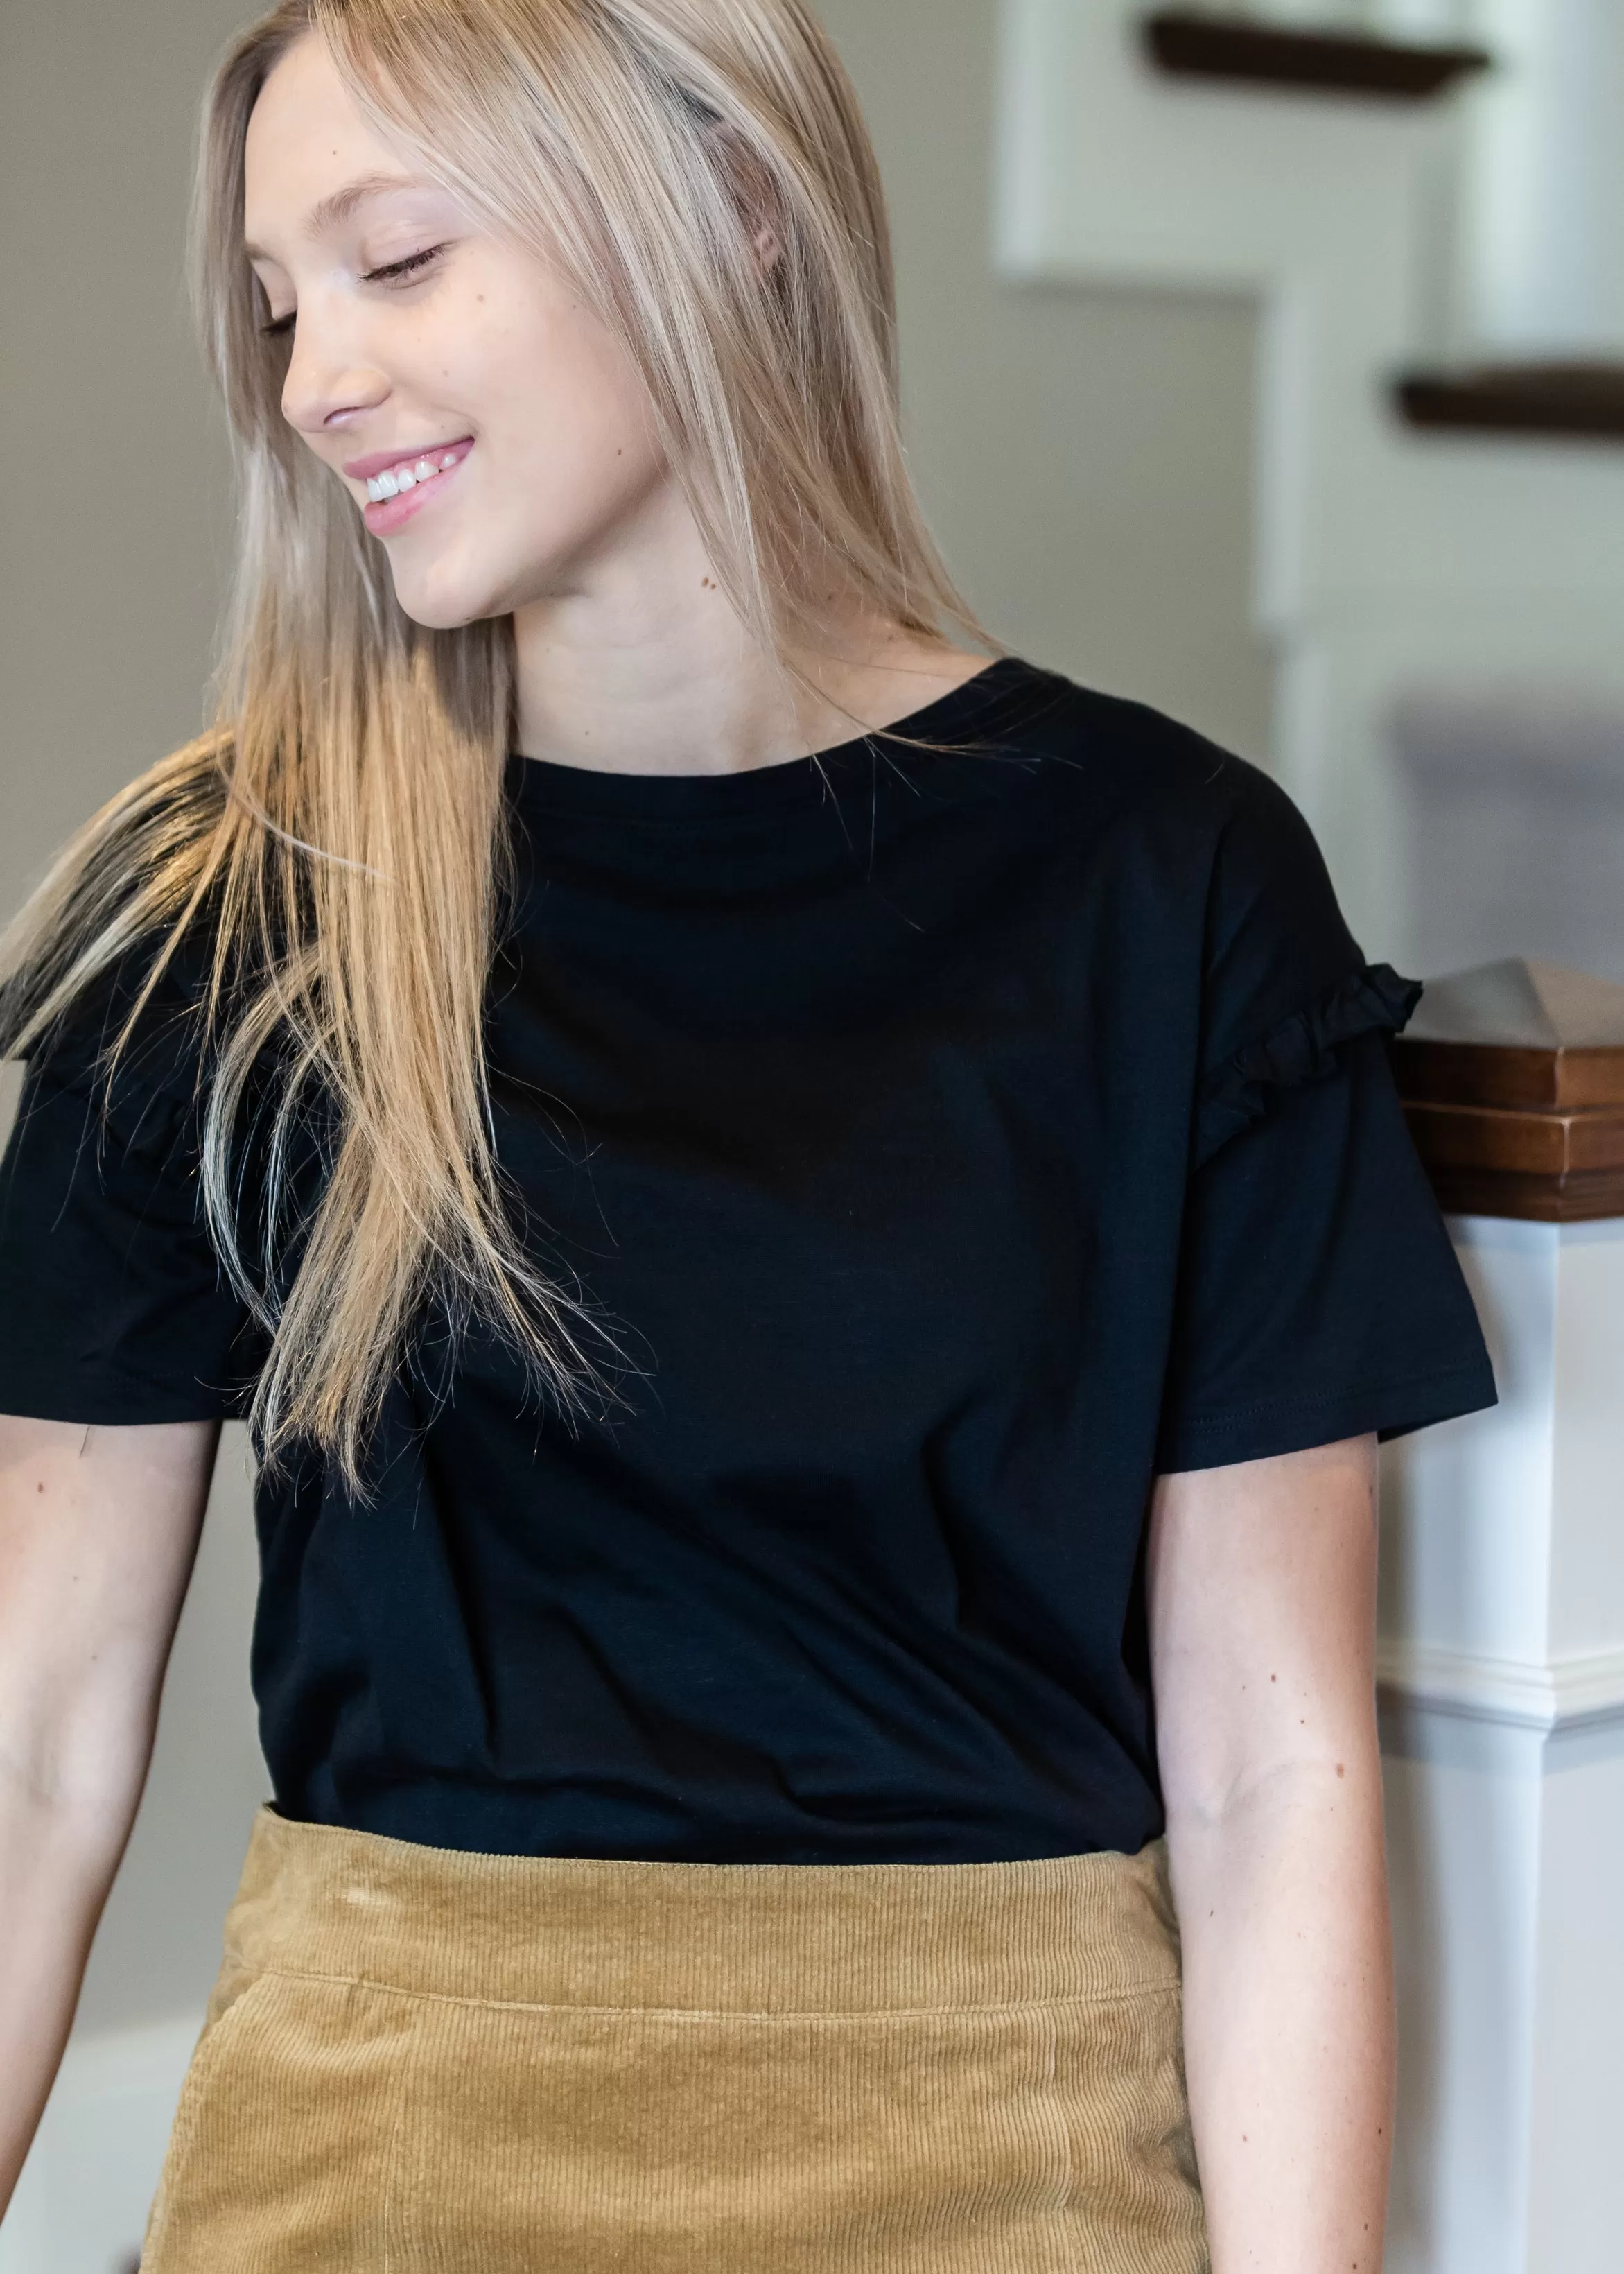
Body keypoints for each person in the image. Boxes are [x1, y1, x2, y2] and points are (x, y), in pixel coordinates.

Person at [0, 1, 1496, 2268]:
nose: (312, 380)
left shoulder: (1163, 882)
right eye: (280, 303)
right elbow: (33, 1757)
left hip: (1014, 2151)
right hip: (377, 2153)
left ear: (731, 210)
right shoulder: (227, 916)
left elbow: (1271, 1781)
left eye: (397, 261)